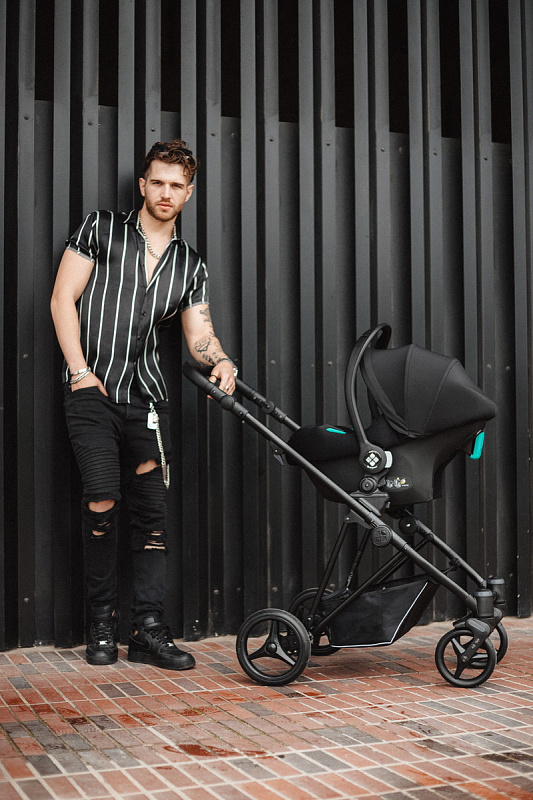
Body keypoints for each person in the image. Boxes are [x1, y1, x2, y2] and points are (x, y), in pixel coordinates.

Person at [50, 139, 237, 671]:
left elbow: (199, 335)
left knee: (153, 516)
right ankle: (101, 624)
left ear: (189, 193)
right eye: (157, 182)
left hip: (148, 400)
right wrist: (80, 372)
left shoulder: (189, 265)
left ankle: (147, 629)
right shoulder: (101, 228)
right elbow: (62, 298)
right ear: (143, 184)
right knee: (101, 498)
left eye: (177, 185)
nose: (166, 193)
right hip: (92, 392)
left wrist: (221, 359)